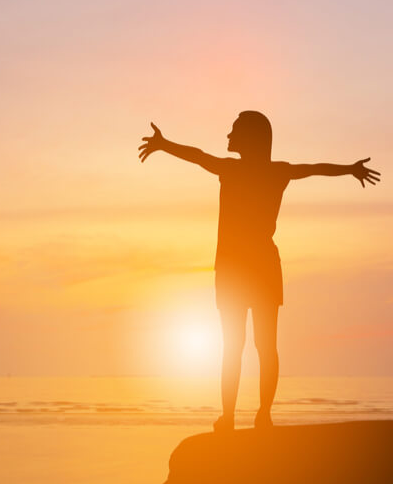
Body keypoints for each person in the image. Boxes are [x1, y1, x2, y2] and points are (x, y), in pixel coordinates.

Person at [138, 111, 380, 431]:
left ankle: (239, 416)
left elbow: (198, 157)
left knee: (240, 347)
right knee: (260, 346)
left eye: (234, 130)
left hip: (239, 269)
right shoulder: (274, 172)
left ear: (251, 138)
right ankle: (255, 414)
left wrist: (164, 144)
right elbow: (314, 169)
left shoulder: (235, 169)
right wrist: (349, 169)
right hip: (252, 268)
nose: (228, 136)